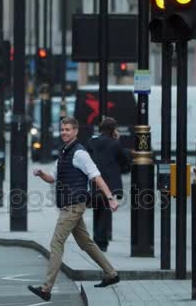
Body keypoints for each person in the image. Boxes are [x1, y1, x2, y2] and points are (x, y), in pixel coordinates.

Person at [28, 117, 120, 302]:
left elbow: (96, 177)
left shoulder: (80, 153)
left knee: (56, 243)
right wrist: (41, 174)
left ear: (76, 131)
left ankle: (46, 288)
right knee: (86, 243)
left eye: (68, 129)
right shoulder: (63, 152)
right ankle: (111, 274)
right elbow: (53, 178)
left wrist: (110, 198)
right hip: (68, 203)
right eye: (62, 129)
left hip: (74, 205)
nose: (64, 132)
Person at [87, 117, 131, 252]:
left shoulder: (91, 142)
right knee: (106, 212)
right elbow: (125, 161)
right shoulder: (115, 144)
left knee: (97, 210)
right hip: (110, 183)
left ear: (100, 129)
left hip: (95, 180)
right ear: (113, 130)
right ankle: (102, 242)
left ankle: (96, 239)